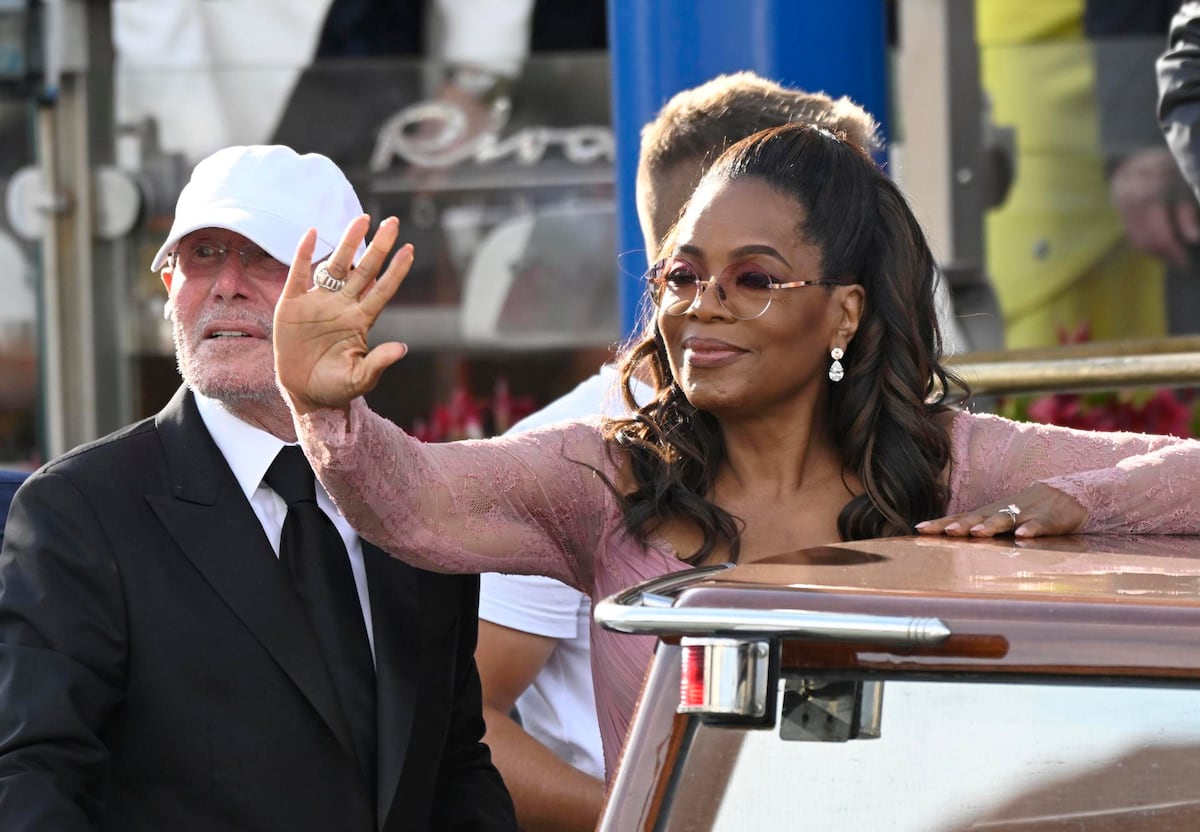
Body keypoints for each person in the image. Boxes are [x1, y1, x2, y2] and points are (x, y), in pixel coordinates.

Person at [273, 123, 1200, 777]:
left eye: (752, 278)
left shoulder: (955, 464)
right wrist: (327, 412)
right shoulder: (605, 477)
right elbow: (415, 505)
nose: (699, 304)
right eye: (680, 274)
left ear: (844, 310)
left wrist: (1087, 504)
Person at [0, 145, 516, 831]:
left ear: (357, 292)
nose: (228, 284)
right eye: (203, 255)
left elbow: (452, 763)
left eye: (269, 257)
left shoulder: (415, 497)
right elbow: (32, 778)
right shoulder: (81, 510)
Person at [473, 71, 882, 830]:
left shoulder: (884, 443)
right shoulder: (574, 462)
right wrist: (651, 817)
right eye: (835, 215)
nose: (868, 246)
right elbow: (469, 723)